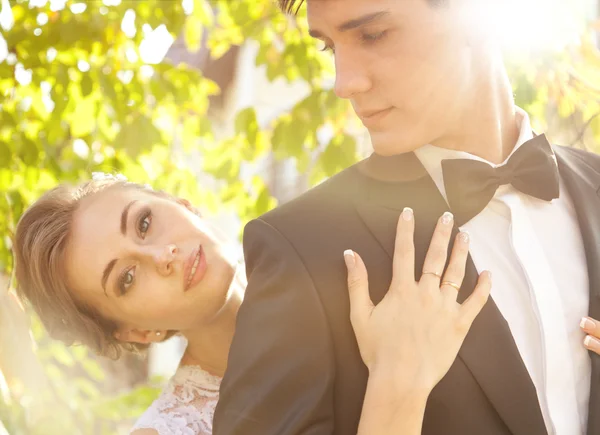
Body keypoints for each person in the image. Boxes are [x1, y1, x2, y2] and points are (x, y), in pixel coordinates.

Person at [213, 0, 600, 434]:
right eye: (329, 48)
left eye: (373, 34)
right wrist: (396, 391)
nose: (344, 83)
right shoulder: (300, 249)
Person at [13, 174, 493, 434]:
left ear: (182, 203)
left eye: (143, 223)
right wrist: (398, 383)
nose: (163, 256)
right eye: (127, 279)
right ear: (137, 332)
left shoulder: (350, 265)